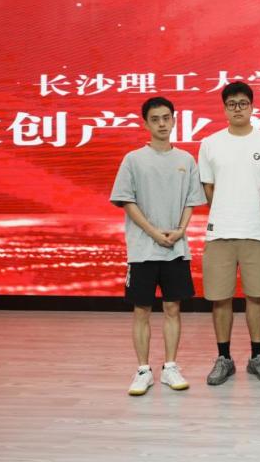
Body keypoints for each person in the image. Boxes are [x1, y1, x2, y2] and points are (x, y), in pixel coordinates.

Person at [110, 96, 207, 396]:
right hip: (143, 249)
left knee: (172, 307)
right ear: (146, 124)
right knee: (141, 309)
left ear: (174, 120)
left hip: (175, 248)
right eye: (155, 119)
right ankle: (143, 370)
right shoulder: (133, 159)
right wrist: (153, 232)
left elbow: (192, 200)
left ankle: (170, 367)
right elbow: (126, 201)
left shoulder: (186, 160)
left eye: (166, 118)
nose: (162, 124)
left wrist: (180, 231)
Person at [198, 82, 260, 385]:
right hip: (220, 231)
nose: (238, 108)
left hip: (256, 230)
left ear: (252, 107)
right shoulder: (210, 143)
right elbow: (208, 188)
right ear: (224, 108)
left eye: (243, 103)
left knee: (256, 296)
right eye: (232, 104)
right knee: (220, 298)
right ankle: (224, 358)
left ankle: (257, 356)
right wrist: (226, 211)